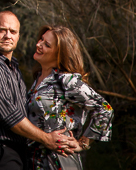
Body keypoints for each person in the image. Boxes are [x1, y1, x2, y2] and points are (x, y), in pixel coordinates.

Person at [0, 11, 78, 170]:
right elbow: (10, 116)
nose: (8, 35)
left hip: (12, 153)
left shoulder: (11, 67)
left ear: (18, 36)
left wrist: (80, 143)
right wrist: (47, 139)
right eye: (2, 30)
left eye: (12, 31)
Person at [26, 25, 114, 170]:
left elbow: (105, 109)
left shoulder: (66, 81)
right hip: (35, 160)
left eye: (46, 45)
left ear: (60, 55)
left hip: (59, 160)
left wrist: (83, 143)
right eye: (41, 39)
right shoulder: (38, 78)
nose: (38, 45)